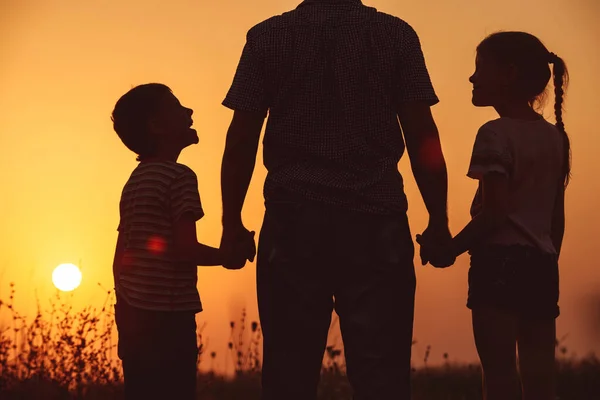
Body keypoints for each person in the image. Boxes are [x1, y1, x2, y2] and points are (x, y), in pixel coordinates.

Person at [219, 1, 452, 398]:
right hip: (376, 223)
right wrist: (438, 220)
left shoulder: (267, 37)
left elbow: (242, 138)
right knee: (383, 377)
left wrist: (232, 223)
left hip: (293, 225)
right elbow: (421, 135)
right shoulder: (395, 35)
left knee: (288, 375)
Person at [418, 31, 570, 400]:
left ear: (509, 73)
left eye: (480, 68)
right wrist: (547, 262)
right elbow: (556, 220)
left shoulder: (494, 134)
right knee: (540, 381)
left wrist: (450, 249)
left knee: (499, 377)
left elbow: (495, 214)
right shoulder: (555, 138)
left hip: (499, 266)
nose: (472, 78)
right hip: (543, 264)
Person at [110, 83, 250, 400]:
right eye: (177, 108)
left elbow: (120, 259)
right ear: (156, 126)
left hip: (134, 318)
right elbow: (184, 249)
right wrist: (227, 256)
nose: (189, 112)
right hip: (169, 321)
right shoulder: (180, 177)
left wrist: (125, 318)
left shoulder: (134, 181)